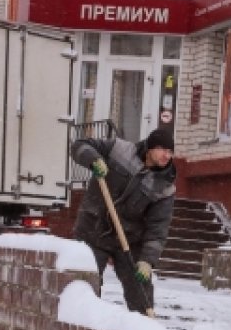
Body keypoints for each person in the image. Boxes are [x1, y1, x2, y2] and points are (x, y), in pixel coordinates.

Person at [70, 128, 177, 315]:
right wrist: (93, 159)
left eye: (170, 151)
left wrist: (147, 261)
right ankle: (81, 322)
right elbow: (79, 145)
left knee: (140, 289)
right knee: (85, 283)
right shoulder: (119, 150)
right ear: (150, 148)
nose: (166, 155)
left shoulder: (165, 185)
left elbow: (158, 227)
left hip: (128, 239)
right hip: (94, 228)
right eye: (162, 149)